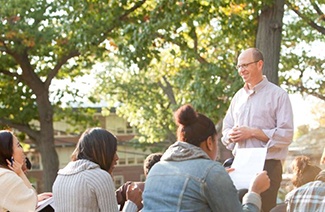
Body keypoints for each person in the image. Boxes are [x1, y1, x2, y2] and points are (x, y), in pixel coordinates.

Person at [143, 104, 270, 212]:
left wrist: (215, 175)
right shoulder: (211, 171)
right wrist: (254, 191)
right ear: (209, 142)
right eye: (216, 141)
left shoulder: (157, 169)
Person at [221, 48, 294, 212]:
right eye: (239, 66)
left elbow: (286, 135)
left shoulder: (278, 95)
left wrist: (253, 132)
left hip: (267, 167)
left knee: (265, 209)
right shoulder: (237, 97)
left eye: (245, 65)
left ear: (259, 64)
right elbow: (226, 130)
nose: (241, 70)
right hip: (239, 166)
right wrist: (231, 135)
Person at [52, 127, 142, 212]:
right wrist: (132, 203)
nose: (117, 158)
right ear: (103, 152)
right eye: (113, 152)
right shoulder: (100, 177)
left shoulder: (59, 178)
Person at [0, 130, 37, 212]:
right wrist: (20, 173)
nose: (22, 150)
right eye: (18, 145)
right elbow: (32, 204)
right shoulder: (7, 178)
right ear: (8, 153)